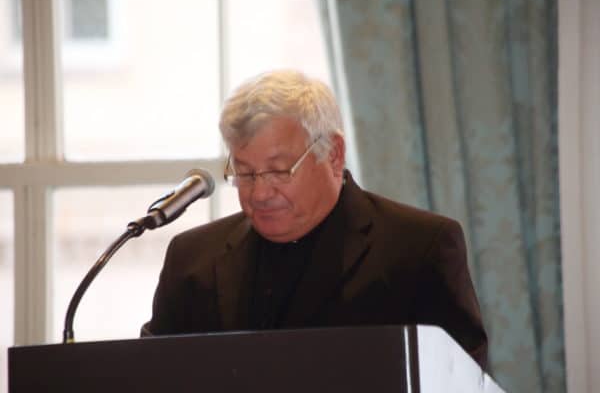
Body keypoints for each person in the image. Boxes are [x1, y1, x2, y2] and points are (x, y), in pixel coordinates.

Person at [142, 69, 488, 368]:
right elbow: (153, 375)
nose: (259, 193)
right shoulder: (192, 260)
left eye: (279, 170)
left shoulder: (418, 249)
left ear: (333, 155)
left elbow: (457, 380)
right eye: (245, 173)